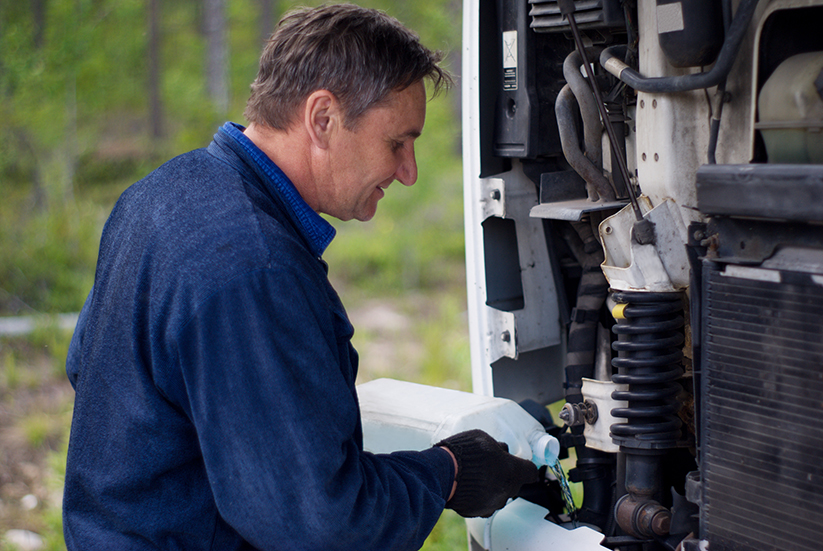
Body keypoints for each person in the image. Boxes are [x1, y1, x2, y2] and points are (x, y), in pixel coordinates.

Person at [63, 5, 538, 550]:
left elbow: (93, 375)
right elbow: (322, 524)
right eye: (396, 143)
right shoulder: (253, 266)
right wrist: (450, 472)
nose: (408, 172)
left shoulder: (157, 197)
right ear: (322, 118)